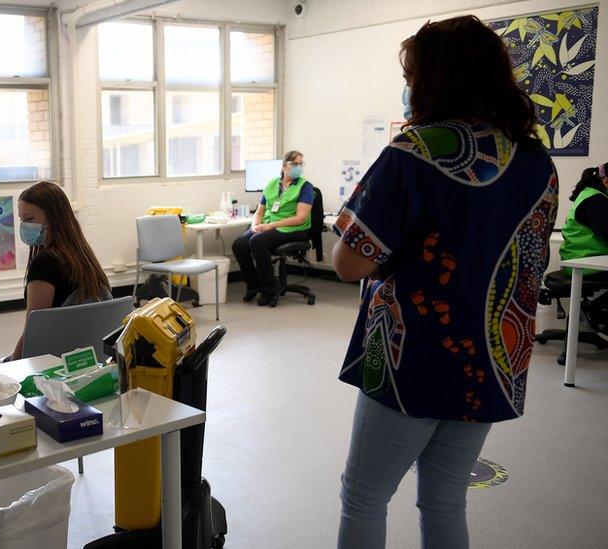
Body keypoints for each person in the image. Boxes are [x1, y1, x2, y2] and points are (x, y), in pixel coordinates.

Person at [330, 16, 557, 549]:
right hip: (491, 362)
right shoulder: (535, 161)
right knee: (445, 499)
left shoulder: (414, 152)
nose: (408, 87)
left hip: (415, 358)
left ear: (435, 78)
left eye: (412, 74)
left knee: (364, 496)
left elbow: (348, 263)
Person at [11, 181, 111, 360]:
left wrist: (10, 364)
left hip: (51, 363)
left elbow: (33, 332)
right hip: (89, 360)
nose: (24, 226)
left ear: (54, 218)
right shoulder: (84, 258)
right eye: (21, 220)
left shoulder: (44, 264)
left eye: (30, 219)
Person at [232, 150, 314, 306]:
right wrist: (255, 225)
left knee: (257, 241)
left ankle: (269, 289)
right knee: (239, 245)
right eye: (295, 163)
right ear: (284, 166)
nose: (299, 167)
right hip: (270, 225)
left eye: (301, 164)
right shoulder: (271, 184)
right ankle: (253, 286)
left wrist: (270, 226)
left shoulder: (305, 187)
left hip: (294, 228)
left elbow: (300, 217)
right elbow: (259, 211)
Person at [560, 162, 608, 277]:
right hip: (587, 265)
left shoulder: (588, 194)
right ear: (606, 182)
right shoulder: (596, 200)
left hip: (578, 262)